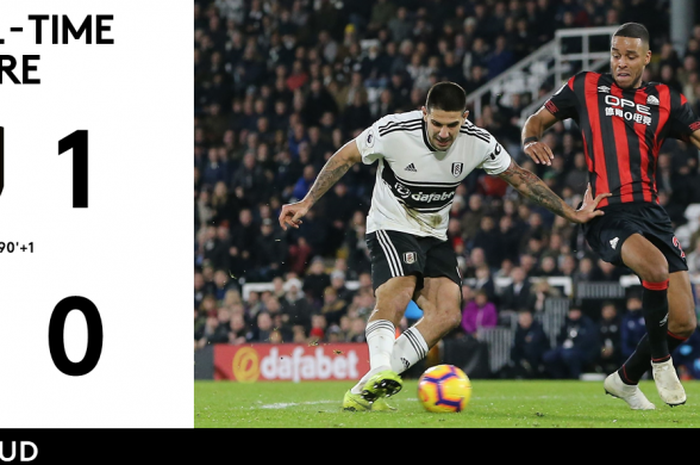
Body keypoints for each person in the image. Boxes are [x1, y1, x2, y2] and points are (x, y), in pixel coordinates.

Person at [278, 81, 610, 412]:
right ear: (424, 113)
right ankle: (381, 368)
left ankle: (370, 383)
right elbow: (345, 156)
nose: (443, 133)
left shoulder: (477, 142)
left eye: (453, 125)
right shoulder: (394, 130)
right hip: (391, 224)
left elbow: (520, 178)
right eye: (436, 123)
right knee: (398, 290)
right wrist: (307, 202)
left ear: (465, 117)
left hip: (434, 232)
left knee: (448, 313)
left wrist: (571, 212)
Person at [521, 22, 699, 409]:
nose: (621, 62)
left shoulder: (665, 98)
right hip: (607, 211)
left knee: (685, 322)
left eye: (630, 56)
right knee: (653, 268)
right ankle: (660, 361)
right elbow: (534, 121)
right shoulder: (585, 86)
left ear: (646, 58)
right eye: (616, 54)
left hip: (653, 213)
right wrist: (531, 139)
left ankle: (624, 379)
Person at [542, 304, 600, 379]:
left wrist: (573, 346)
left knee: (569, 355)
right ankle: (558, 377)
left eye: (576, 311)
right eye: (572, 312)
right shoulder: (567, 323)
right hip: (564, 348)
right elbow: (560, 338)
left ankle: (575, 377)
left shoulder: (587, 324)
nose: (573, 314)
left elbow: (588, 341)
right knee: (548, 356)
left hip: (581, 350)